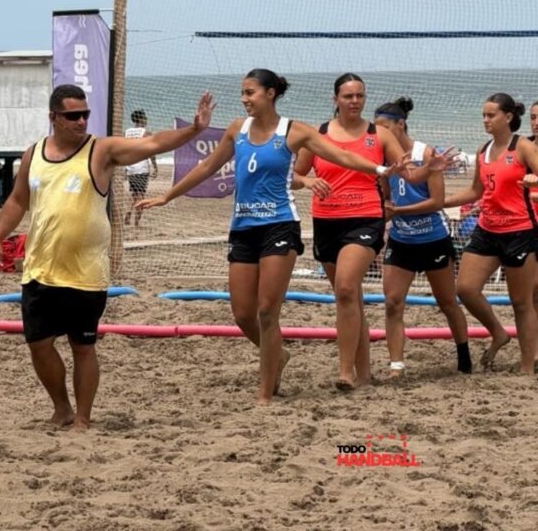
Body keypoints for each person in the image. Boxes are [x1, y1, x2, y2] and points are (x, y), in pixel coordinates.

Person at [137, 69, 402, 404]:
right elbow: (207, 167)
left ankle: (266, 395)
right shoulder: (238, 129)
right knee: (242, 314)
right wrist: (168, 196)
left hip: (280, 226)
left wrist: (380, 170)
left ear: (271, 93)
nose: (245, 99)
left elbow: (342, 156)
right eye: (243, 94)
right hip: (243, 227)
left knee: (267, 311)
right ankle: (278, 354)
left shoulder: (294, 131)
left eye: (251, 93)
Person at [0, 84, 215, 430]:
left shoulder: (101, 150)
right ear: (53, 117)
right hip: (40, 268)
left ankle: (82, 417)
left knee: (83, 346)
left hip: (85, 272)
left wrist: (194, 130)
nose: (81, 121)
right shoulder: (34, 154)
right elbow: (18, 200)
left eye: (85, 114)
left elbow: (152, 144)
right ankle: (61, 408)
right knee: (39, 345)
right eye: (72, 116)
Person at [293, 73, 410, 391]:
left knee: (345, 289)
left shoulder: (380, 135)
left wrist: (431, 167)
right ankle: (365, 373)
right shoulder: (317, 135)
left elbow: (407, 171)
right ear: (335, 100)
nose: (355, 101)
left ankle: (345, 372)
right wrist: (306, 181)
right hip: (326, 222)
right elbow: (294, 176)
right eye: (348, 96)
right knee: (350, 299)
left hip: (365, 220)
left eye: (360, 95)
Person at [374, 97, 472, 377]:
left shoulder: (426, 153)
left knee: (447, 303)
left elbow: (437, 201)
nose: (379, 133)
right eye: (376, 129)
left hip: (433, 238)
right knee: (392, 302)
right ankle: (396, 365)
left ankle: (464, 354)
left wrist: (399, 210)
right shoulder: (384, 160)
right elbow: (388, 199)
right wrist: (385, 213)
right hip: (402, 240)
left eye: (384, 127)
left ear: (400, 124)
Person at [445, 93, 538, 373]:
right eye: (483, 115)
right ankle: (498, 332)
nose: (486, 120)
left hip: (519, 231)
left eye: (491, 115)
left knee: (522, 302)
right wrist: (440, 202)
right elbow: (476, 191)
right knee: (465, 289)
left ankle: (526, 366)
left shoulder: (522, 147)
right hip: (487, 230)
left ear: (508, 117)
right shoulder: (483, 150)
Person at [123, 109, 158, 227]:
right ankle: (136, 223)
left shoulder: (127, 132)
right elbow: (151, 151)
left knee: (134, 194)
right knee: (141, 195)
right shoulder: (146, 133)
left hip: (130, 167)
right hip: (142, 168)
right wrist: (155, 166)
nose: (147, 120)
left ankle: (128, 213)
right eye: (145, 117)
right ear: (141, 119)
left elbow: (123, 150)